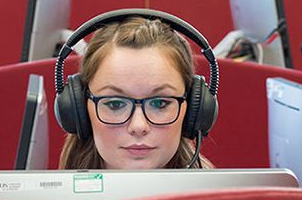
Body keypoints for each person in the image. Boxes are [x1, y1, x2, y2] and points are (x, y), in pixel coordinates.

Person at [58, 14, 215, 169]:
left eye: (160, 103)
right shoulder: (47, 195)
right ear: (81, 110)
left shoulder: (220, 194)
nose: (138, 126)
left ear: (191, 112)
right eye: (115, 104)